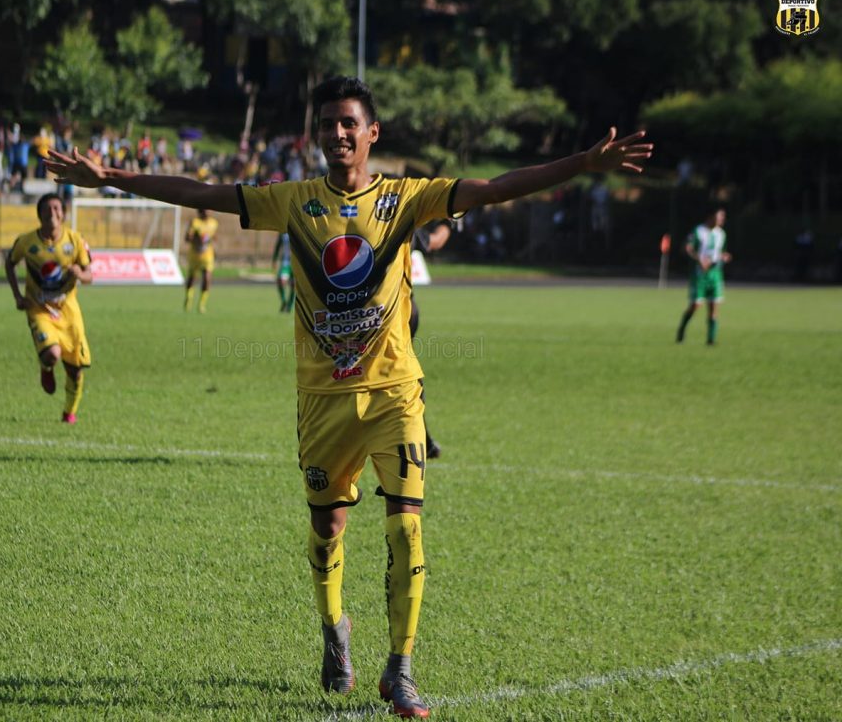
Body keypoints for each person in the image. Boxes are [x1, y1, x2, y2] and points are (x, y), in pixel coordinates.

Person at [45, 75, 652, 718]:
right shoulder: (293, 201)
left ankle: (401, 668)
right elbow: (200, 193)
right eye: (327, 124)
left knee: (407, 528)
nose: (337, 133)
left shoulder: (407, 198)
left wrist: (582, 164)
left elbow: (495, 187)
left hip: (395, 392)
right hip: (323, 400)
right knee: (327, 528)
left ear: (371, 133)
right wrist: (110, 177)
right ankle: (335, 630)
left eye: (348, 123)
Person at [5, 194, 94, 424]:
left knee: (75, 370)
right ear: (39, 214)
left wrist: (80, 273)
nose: (52, 212)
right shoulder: (27, 242)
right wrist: (17, 296)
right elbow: (10, 263)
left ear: (63, 214)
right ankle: (46, 367)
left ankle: (69, 412)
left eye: (56, 208)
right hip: (39, 308)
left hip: (68, 312)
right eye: (47, 208)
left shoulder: (75, 240)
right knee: (52, 354)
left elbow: (89, 275)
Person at [410, 219, 457, 459]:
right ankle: (421, 437)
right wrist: (449, 222)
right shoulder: (397, 217)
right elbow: (435, 241)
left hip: (345, 314)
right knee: (406, 377)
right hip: (398, 312)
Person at [676, 207, 731, 346]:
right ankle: (682, 329)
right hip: (699, 275)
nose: (722, 219)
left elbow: (720, 252)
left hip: (715, 274)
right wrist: (699, 259)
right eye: (719, 216)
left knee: (713, 307)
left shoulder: (721, 234)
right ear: (711, 216)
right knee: (696, 305)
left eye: (723, 217)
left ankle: (711, 340)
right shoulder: (698, 231)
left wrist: (724, 256)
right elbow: (686, 248)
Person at [184, 208, 218, 313]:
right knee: (192, 278)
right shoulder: (195, 222)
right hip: (195, 254)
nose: (207, 212)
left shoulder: (214, 223)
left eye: (209, 209)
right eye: (205, 210)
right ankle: (189, 299)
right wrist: (195, 237)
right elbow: (187, 238)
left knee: (207, 277)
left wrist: (214, 247)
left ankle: (202, 304)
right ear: (200, 211)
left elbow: (213, 237)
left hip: (207, 255)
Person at [272, 231, 294, 312]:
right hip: (286, 262)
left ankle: (290, 305)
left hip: (296, 262)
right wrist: (274, 259)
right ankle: (284, 301)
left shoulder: (297, 230)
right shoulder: (282, 233)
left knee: (294, 284)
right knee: (280, 281)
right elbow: (278, 246)